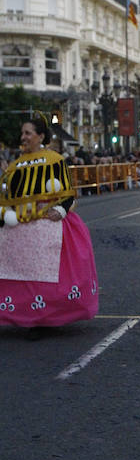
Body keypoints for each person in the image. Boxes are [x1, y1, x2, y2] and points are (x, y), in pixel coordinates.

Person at [0, 113, 98, 337]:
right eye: (22, 133)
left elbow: (68, 193)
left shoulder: (55, 161)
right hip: (22, 225)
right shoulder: (15, 166)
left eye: (28, 133)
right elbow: (9, 197)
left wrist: (61, 210)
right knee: (23, 273)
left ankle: (42, 318)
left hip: (49, 222)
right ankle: (27, 315)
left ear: (40, 136)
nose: (23, 137)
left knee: (47, 274)